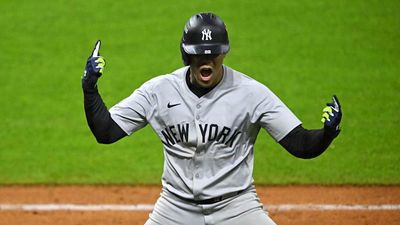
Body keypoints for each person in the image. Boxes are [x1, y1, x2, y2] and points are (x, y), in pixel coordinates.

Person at [82, 12, 342, 225]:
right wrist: (90, 89)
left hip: (237, 207)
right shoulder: (158, 91)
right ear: (187, 54)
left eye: (213, 53)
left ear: (224, 53)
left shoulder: (251, 93)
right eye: (199, 54)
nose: (207, 60)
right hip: (175, 208)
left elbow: (301, 145)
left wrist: (326, 133)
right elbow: (106, 132)